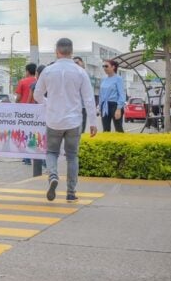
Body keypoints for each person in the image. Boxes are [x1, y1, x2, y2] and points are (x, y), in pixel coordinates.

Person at [33, 38, 98, 202]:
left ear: (57, 51)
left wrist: (48, 103)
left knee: (52, 152)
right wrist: (93, 123)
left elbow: (37, 95)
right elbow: (89, 99)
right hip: (74, 121)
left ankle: (53, 176)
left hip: (53, 119)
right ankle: (71, 193)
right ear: (72, 51)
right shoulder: (80, 72)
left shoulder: (47, 71)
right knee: (72, 156)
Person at [98, 59, 126, 132]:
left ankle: (121, 143)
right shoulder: (104, 79)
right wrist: (100, 107)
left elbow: (122, 94)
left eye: (106, 66)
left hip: (115, 105)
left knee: (118, 128)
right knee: (105, 129)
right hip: (104, 105)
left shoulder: (118, 79)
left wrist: (119, 108)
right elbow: (101, 94)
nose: (104, 68)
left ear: (113, 67)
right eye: (103, 66)